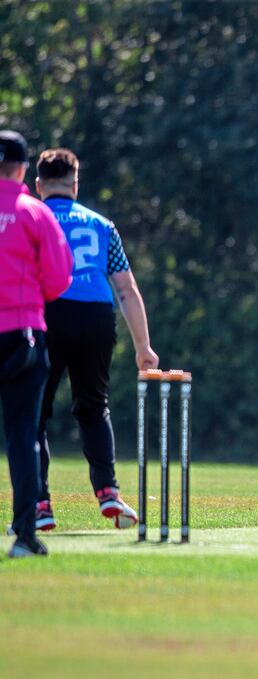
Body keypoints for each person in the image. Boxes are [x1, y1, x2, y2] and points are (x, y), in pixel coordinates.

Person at [33, 148, 158, 532]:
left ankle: (39, 505)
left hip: (48, 313)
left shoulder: (32, 218)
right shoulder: (102, 224)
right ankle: (109, 492)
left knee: (33, 412)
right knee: (93, 405)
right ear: (75, 184)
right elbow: (126, 289)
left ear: (38, 186)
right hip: (96, 315)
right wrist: (143, 346)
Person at [0, 130, 73, 558]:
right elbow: (59, 277)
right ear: (24, 168)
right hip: (22, 334)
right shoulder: (34, 212)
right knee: (24, 433)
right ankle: (24, 536)